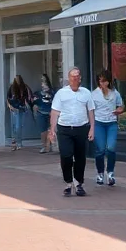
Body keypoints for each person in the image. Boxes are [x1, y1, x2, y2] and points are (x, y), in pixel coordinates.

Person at [48, 67, 95, 197]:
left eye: (77, 76)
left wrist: (92, 128)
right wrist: (52, 129)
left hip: (81, 128)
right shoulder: (61, 93)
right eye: (72, 76)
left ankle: (78, 183)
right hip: (65, 129)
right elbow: (55, 112)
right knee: (66, 155)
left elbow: (90, 111)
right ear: (69, 79)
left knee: (80, 157)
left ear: (80, 78)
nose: (75, 78)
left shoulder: (86, 93)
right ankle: (68, 182)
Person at [92, 72, 124, 186]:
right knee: (100, 150)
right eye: (101, 81)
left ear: (109, 81)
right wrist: (91, 127)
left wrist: (119, 110)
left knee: (111, 147)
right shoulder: (94, 94)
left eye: (105, 81)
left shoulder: (115, 93)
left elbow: (121, 106)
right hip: (99, 123)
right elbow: (90, 111)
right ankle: (100, 173)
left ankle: (110, 173)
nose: (103, 83)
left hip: (111, 123)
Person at [6, 75, 33, 151]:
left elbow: (28, 98)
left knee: (18, 126)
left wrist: (27, 105)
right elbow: (8, 98)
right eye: (16, 79)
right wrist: (10, 107)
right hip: (13, 109)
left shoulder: (24, 87)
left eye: (18, 79)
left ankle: (19, 142)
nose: (17, 81)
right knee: (14, 126)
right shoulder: (12, 88)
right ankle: (14, 142)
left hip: (21, 109)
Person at [33, 74, 55, 154]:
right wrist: (35, 106)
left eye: (44, 81)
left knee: (50, 129)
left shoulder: (52, 93)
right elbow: (34, 101)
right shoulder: (38, 93)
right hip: (41, 112)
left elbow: (54, 102)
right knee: (43, 130)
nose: (43, 84)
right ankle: (44, 146)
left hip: (49, 112)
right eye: (42, 81)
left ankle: (49, 146)